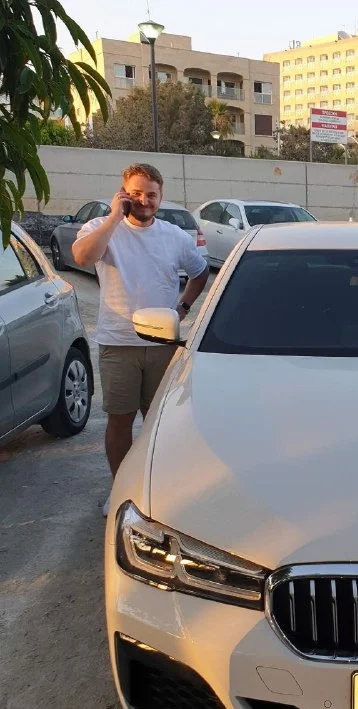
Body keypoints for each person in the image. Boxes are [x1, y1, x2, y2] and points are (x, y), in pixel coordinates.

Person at [72, 163, 209, 515]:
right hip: (118, 342)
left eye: (151, 194)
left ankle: (157, 489)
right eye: (135, 193)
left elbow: (200, 273)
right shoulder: (101, 228)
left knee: (158, 422)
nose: (144, 201)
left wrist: (182, 309)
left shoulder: (174, 236)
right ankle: (121, 489)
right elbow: (83, 256)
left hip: (163, 344)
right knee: (120, 419)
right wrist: (114, 217)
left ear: (161, 197)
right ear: (122, 193)